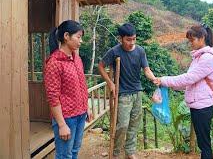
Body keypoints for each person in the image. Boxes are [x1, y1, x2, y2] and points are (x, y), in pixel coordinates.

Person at [154, 24, 213, 159]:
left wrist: (164, 80)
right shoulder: (199, 57)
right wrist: (168, 84)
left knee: (204, 144)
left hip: (203, 106)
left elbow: (188, 78)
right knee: (203, 142)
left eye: (192, 40)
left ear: (202, 38)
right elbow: (191, 82)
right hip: (198, 104)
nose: (190, 43)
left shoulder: (207, 58)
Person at [98, 23, 157, 159]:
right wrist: (110, 83)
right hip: (122, 94)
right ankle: (116, 153)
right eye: (128, 40)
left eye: (134, 39)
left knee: (134, 125)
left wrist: (154, 79)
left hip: (137, 92)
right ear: (121, 38)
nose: (131, 43)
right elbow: (101, 66)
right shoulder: (114, 51)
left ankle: (130, 151)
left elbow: (146, 70)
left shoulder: (140, 51)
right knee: (123, 125)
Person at [44, 20, 93, 159]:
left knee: (75, 150)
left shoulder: (77, 58)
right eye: (78, 37)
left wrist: (86, 107)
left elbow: (82, 85)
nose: (81, 41)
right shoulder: (54, 63)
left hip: (80, 114)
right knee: (64, 155)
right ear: (66, 36)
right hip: (67, 118)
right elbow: (53, 97)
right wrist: (61, 124)